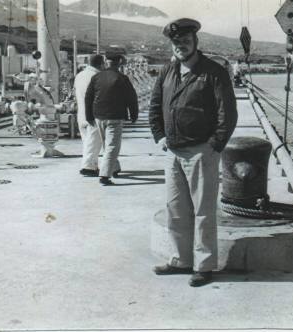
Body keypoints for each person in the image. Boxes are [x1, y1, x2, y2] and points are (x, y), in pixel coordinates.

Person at [149, 18, 238, 287]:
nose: (180, 46)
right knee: (176, 209)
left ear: (195, 42)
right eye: (176, 43)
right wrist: (160, 136)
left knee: (203, 211)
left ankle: (204, 265)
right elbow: (155, 106)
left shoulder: (213, 72)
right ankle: (181, 260)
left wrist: (215, 144)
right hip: (173, 151)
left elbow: (228, 113)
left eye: (185, 41)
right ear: (171, 45)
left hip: (201, 151)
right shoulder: (168, 71)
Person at [85, 54, 139, 185]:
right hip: (115, 116)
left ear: (106, 62)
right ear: (119, 63)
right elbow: (131, 98)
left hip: (98, 116)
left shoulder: (96, 77)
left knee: (106, 145)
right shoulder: (122, 78)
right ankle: (105, 175)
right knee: (112, 146)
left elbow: (88, 97)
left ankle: (114, 168)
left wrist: (89, 116)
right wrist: (134, 114)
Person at [74, 54, 104, 177]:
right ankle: (88, 167)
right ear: (101, 64)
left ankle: (93, 165)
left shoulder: (79, 75)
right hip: (93, 114)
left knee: (87, 142)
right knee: (93, 143)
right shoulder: (97, 76)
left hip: (81, 113)